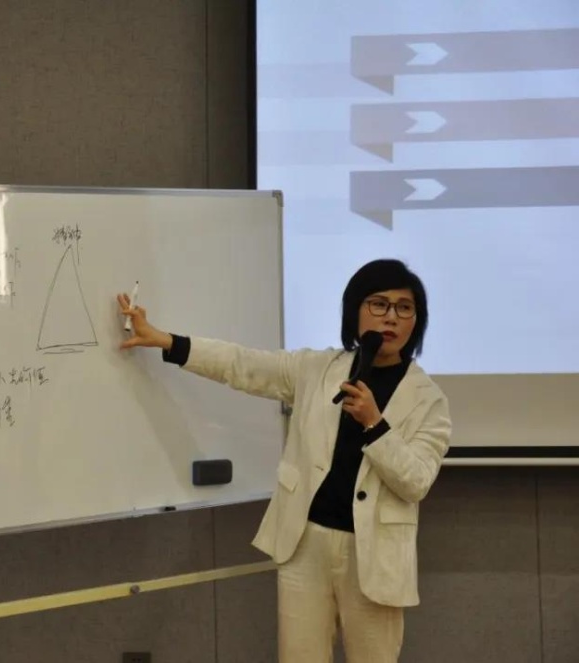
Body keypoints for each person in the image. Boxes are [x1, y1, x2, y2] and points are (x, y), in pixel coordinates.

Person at [116, 258, 451, 663]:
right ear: (355, 310)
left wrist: (374, 424)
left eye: (404, 307)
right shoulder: (316, 368)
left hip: (375, 556)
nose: (391, 317)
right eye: (379, 304)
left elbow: (415, 482)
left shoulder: (429, 400)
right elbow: (242, 365)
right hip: (305, 542)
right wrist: (166, 341)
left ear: (417, 320)